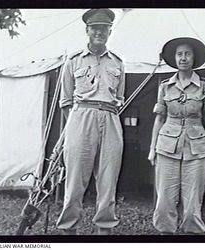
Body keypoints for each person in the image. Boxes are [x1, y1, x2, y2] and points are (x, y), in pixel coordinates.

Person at [56, 8, 125, 235]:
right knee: (75, 181)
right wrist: (76, 127)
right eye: (95, 28)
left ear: (110, 31)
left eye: (104, 29)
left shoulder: (118, 63)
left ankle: (103, 231)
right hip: (80, 118)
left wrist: (106, 117)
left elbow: (120, 99)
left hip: (110, 118)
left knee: (108, 180)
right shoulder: (73, 62)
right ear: (87, 30)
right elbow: (66, 101)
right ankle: (69, 229)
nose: (99, 32)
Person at [148, 37, 205, 234]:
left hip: (197, 147)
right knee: (165, 199)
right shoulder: (165, 86)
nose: (183, 58)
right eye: (180, 54)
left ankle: (191, 234)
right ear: (175, 58)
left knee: (193, 199)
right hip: (166, 145)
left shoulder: (204, 85)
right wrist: (152, 149)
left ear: (194, 58)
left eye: (187, 54)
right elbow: (159, 119)